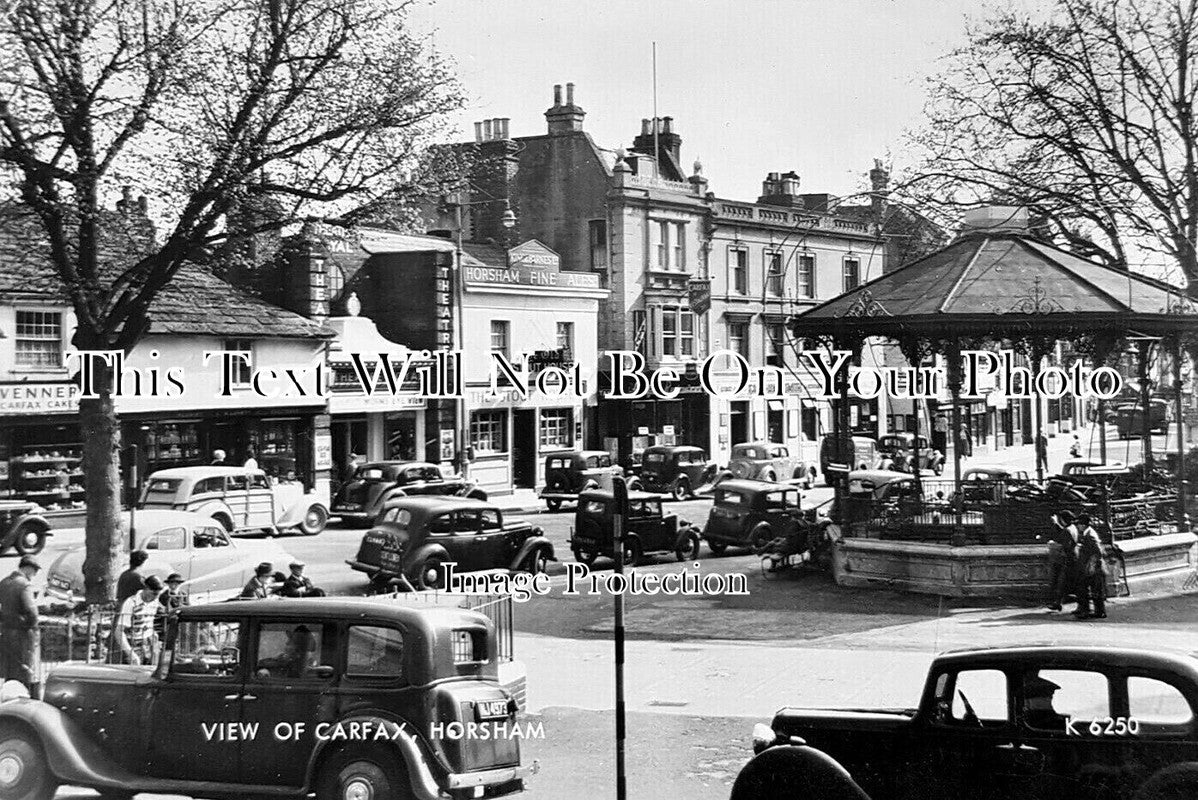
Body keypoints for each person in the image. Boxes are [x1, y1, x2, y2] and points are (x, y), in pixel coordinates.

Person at [0, 556, 41, 696]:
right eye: (34, 571)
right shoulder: (24, 585)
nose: (34, 575)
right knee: (27, 671)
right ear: (28, 568)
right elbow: (32, 612)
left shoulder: (4, 582)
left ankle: (10, 699)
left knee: (10, 672)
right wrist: (31, 627)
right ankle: (26, 701)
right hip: (23, 635)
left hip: (6, 633)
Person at [116, 575, 163, 666]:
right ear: (146, 588)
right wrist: (130, 653)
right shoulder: (131, 602)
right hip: (134, 643)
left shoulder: (155, 601)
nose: (155, 597)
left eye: (158, 594)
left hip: (150, 641)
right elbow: (118, 631)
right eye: (154, 594)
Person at [1073, 513, 1108, 619]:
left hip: (1093, 567)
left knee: (1093, 589)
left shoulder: (1090, 535)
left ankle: (1095, 611)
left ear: (1083, 525)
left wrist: (1092, 564)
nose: (1078, 526)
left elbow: (1098, 551)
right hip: (1090, 566)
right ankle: (1096, 611)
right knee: (1091, 589)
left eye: (1079, 524)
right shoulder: (1087, 533)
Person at [1045, 510, 1078, 611]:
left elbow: (1063, 543)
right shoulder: (1072, 528)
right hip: (1072, 558)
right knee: (1066, 582)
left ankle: (1057, 603)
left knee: (1061, 582)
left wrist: (1054, 545)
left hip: (1066, 559)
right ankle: (1058, 602)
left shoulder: (1067, 531)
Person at [155, 573, 189, 639]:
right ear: (168, 584)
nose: (173, 586)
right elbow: (164, 608)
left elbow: (188, 605)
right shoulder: (165, 595)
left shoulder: (183, 594)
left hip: (183, 616)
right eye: (171, 583)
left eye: (176, 584)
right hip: (170, 618)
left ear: (179, 584)